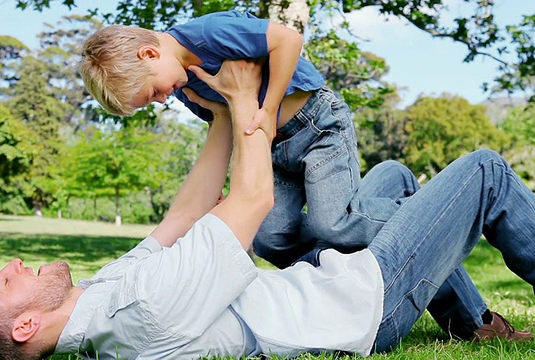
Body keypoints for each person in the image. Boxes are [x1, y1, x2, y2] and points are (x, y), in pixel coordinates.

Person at [0, 60, 535, 360]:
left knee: (394, 178)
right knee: (483, 169)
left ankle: (474, 323)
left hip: (329, 280)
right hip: (366, 302)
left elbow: (185, 213)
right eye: (3, 281)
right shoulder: (141, 311)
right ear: (22, 327)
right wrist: (249, 96)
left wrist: (222, 116)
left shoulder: (98, 303)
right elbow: (251, 199)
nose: (13, 264)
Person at [78, 12, 527, 342]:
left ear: (149, 52)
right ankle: (445, 262)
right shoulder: (187, 87)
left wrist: (270, 106)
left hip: (316, 126)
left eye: (152, 92)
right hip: (275, 151)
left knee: (330, 224)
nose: (161, 100)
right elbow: (229, 131)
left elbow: (287, 39)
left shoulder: (205, 33)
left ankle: (437, 214)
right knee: (272, 238)